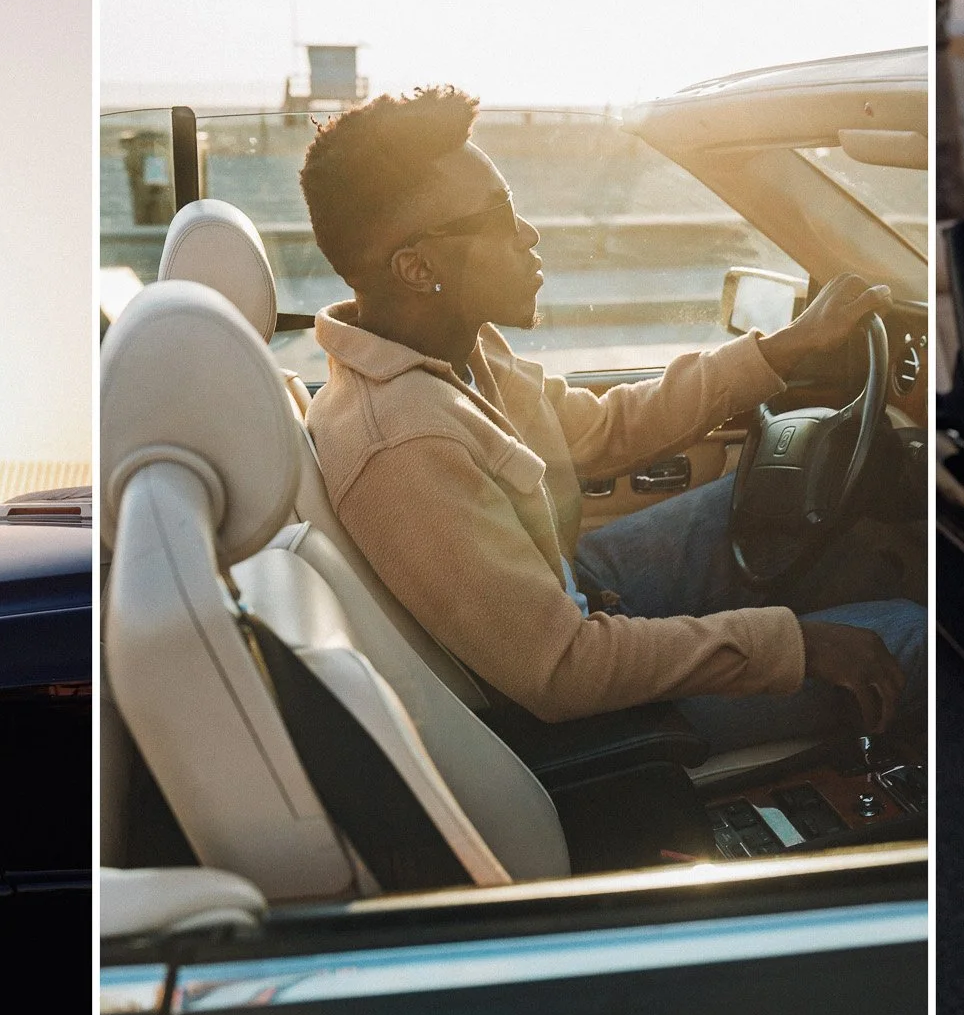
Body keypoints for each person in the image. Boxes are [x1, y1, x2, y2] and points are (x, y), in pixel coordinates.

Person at [297, 86, 923, 754]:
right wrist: (798, 645)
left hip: (575, 584)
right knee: (908, 634)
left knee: (773, 504)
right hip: (582, 710)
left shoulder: (450, 353)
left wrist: (781, 349)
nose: (528, 234)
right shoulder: (404, 443)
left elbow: (597, 429)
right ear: (418, 268)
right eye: (498, 217)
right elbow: (565, 672)